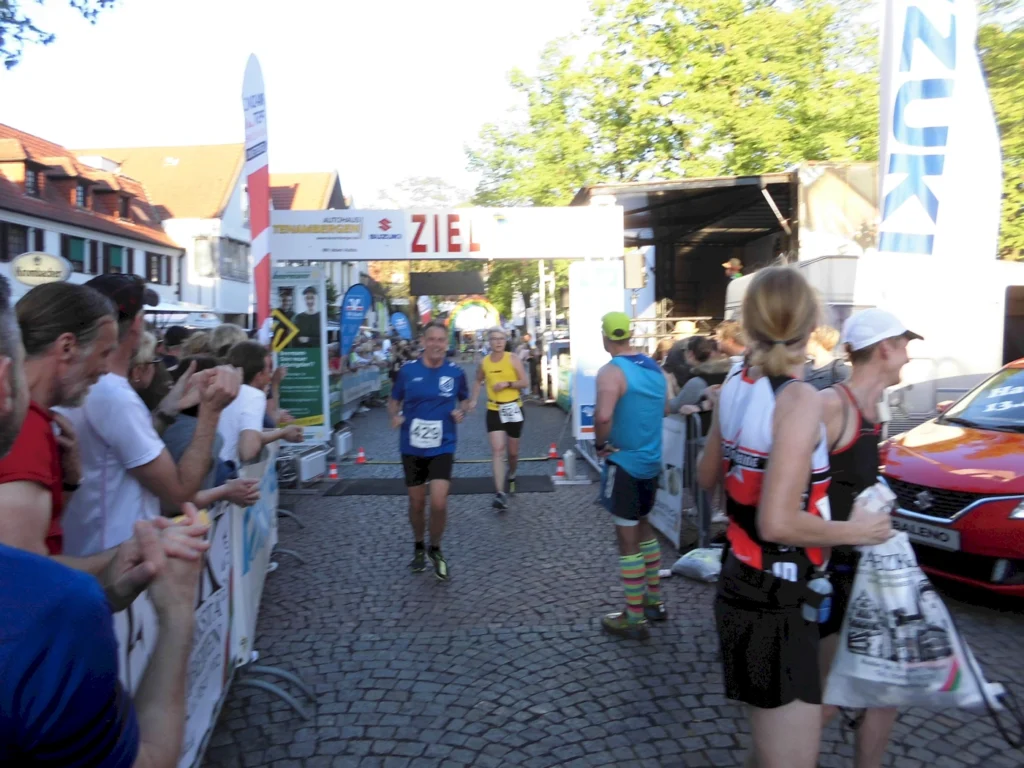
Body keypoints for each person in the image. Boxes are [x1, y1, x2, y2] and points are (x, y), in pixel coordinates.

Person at [0, 272, 209, 768]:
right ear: (67, 346)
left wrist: (71, 489)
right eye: (103, 354)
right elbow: (25, 589)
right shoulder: (30, 428)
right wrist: (176, 610)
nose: (107, 372)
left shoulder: (48, 426)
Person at [697, 266, 891, 768]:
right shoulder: (799, 396)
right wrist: (858, 531)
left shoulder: (736, 384)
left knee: (770, 749)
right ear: (810, 324)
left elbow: (705, 479)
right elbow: (778, 522)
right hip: (777, 594)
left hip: (743, 582)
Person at [57, 274, 241, 557]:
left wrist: (170, 406)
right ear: (138, 324)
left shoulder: (78, 383)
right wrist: (210, 412)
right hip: (118, 561)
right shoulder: (114, 396)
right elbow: (180, 495)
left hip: (91, 553)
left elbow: (124, 449)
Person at [817, 307, 920, 768]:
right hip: (832, 581)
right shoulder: (832, 407)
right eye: (904, 346)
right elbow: (786, 501)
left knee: (885, 689)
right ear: (884, 349)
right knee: (825, 701)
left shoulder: (872, 412)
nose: (908, 358)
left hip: (868, 576)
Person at [594, 311, 674, 640]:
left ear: (605, 337)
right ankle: (653, 601)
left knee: (627, 541)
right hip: (651, 462)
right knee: (644, 528)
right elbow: (666, 408)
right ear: (629, 335)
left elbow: (602, 415)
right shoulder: (655, 368)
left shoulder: (611, 372)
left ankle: (634, 617)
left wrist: (601, 444)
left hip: (624, 463)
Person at [388, 321, 469, 581]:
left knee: (438, 501)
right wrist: (395, 415)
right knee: (416, 502)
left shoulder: (455, 372)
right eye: (431, 339)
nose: (436, 344)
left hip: (443, 444)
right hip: (411, 445)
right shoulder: (408, 372)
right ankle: (418, 545)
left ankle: (435, 547)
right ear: (423, 342)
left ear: (447, 343)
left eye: (441, 340)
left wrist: (462, 411)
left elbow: (465, 399)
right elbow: (393, 401)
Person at [467, 327, 529, 510]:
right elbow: (478, 380)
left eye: (501, 338)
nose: (498, 342)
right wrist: (474, 400)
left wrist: (508, 384)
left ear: (505, 340)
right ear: (489, 341)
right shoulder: (485, 362)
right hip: (494, 409)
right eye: (494, 339)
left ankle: (512, 473)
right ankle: (500, 493)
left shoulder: (513, 358)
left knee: (513, 452)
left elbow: (525, 382)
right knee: (497, 450)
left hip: (513, 407)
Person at [218, 341, 303, 468]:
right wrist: (282, 433)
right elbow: (248, 450)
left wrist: (282, 432)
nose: (271, 375)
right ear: (258, 375)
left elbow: (241, 431)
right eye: (269, 368)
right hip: (224, 469)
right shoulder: (252, 395)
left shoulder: (221, 388)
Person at [804, 325, 850, 391]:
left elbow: (843, 395)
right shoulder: (806, 367)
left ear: (817, 343)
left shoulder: (837, 367)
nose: (806, 344)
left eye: (809, 341)